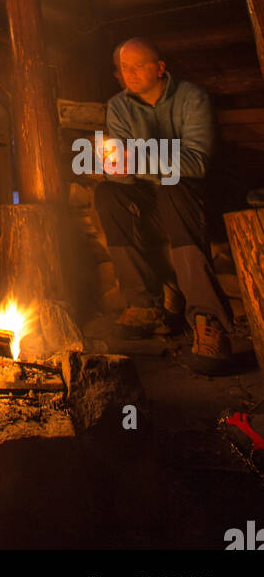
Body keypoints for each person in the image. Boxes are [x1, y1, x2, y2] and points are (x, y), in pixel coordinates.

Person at [94, 36, 234, 374]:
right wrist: (118, 167)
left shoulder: (191, 98)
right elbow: (125, 175)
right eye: (124, 68)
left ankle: (207, 320)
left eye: (138, 65)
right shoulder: (119, 107)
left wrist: (139, 159)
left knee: (174, 186)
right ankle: (144, 305)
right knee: (108, 195)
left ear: (160, 68)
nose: (130, 73)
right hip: (157, 205)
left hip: (196, 205)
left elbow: (197, 163)